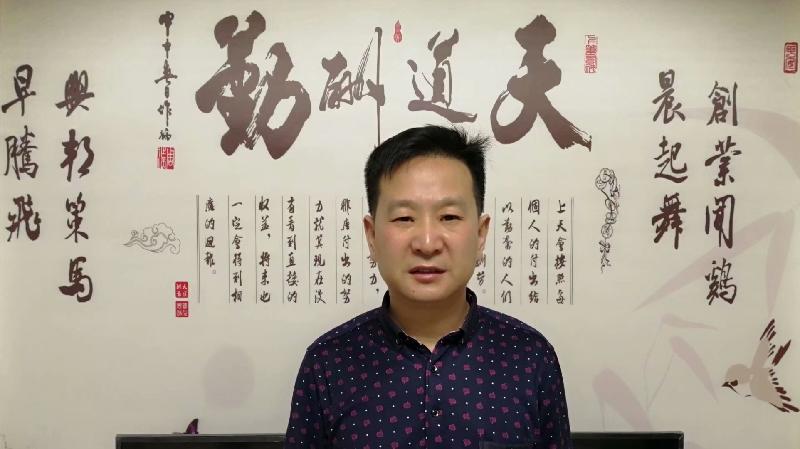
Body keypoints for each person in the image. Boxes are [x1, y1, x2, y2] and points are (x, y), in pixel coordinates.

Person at [284, 125, 571, 449]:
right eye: (404, 218)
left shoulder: (531, 357)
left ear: (480, 234)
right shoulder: (327, 363)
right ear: (372, 235)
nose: (427, 242)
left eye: (449, 217)